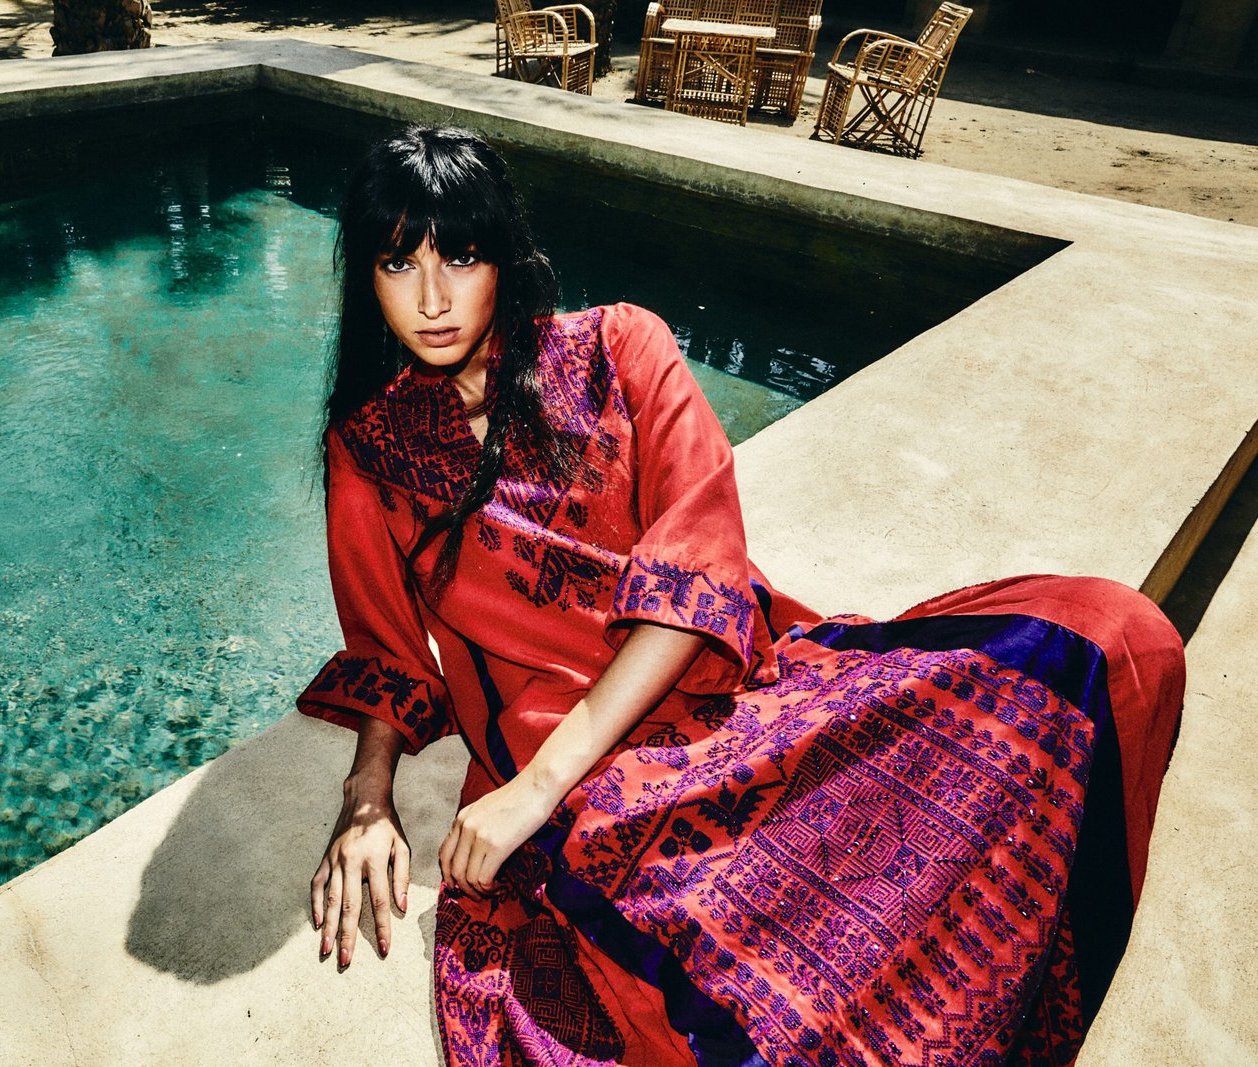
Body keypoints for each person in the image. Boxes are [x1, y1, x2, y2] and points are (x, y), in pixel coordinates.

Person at [297, 125, 1185, 1067]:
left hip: (735, 693)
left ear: (504, 257)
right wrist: (368, 798)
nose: (432, 299)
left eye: (461, 257)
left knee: (1109, 639)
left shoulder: (619, 347)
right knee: (739, 1013)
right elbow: (386, 647)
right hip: (596, 784)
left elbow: (701, 567)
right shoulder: (368, 448)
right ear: (369, 278)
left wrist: (532, 790)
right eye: (399, 263)